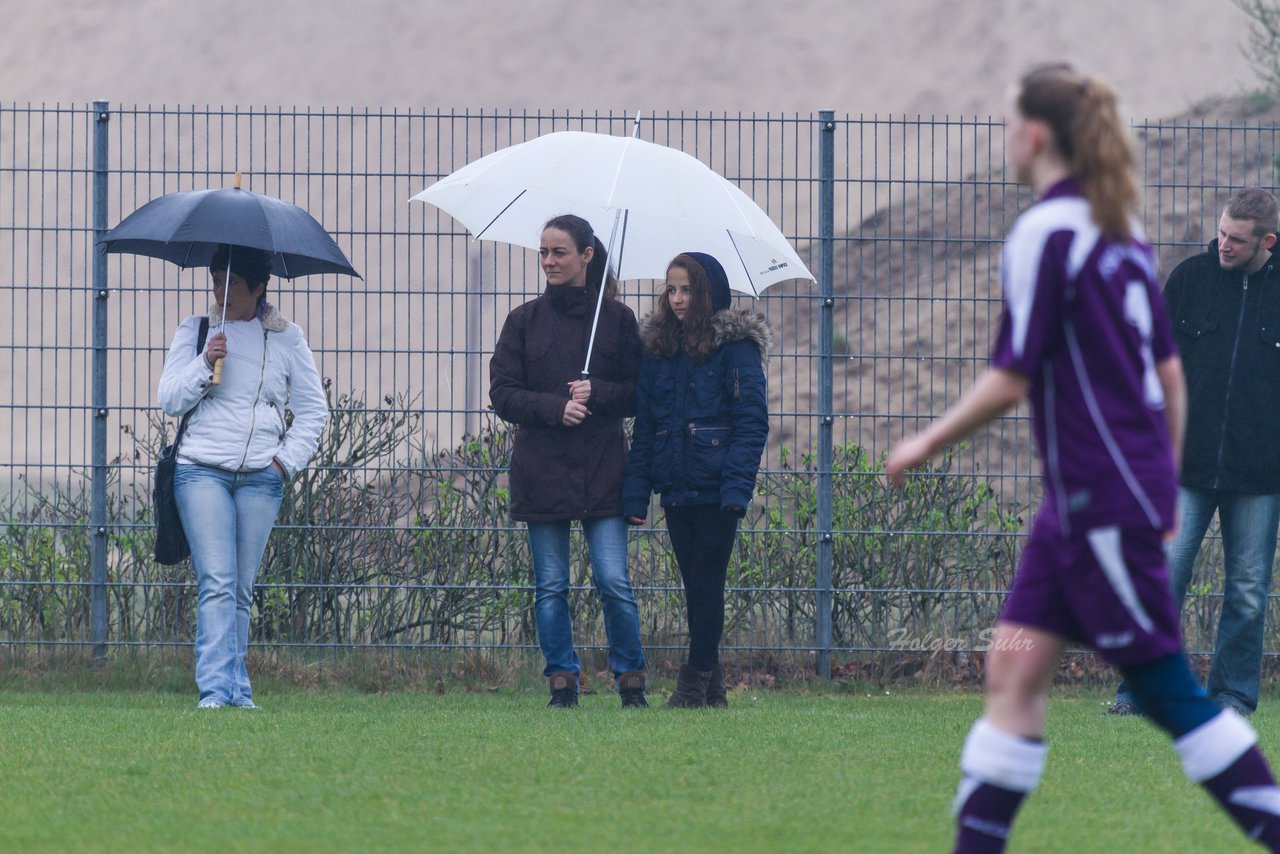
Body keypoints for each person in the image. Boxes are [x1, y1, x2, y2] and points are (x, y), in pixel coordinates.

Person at [886, 64, 1280, 852]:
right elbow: (1168, 374)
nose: (1005, 138)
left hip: (1101, 494)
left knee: (1165, 687)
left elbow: (1012, 375)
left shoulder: (1048, 230)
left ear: (1034, 135)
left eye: (1007, 124)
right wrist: (1165, 479)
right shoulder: (1119, 227)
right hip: (1086, 500)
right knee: (1013, 673)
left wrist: (927, 440)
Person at [1109, 188, 1280, 719]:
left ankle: (1231, 697)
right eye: (1222, 232)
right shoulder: (1189, 280)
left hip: (1261, 472)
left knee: (1248, 589)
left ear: (1267, 242)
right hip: (1183, 464)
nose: (1222, 244)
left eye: (1236, 239)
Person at [157, 244, 327, 710]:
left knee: (240, 589)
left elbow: (313, 411)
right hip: (201, 471)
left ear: (258, 287)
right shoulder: (195, 331)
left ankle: (238, 691)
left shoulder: (287, 338)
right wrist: (203, 362)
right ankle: (215, 691)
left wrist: (282, 464)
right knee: (217, 580)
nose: (219, 290)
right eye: (214, 279)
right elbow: (169, 399)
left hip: (260, 479)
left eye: (229, 282)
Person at [489, 213, 649, 708]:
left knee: (613, 581)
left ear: (587, 256)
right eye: (543, 252)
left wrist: (596, 392)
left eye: (559, 252)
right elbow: (503, 394)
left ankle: (631, 681)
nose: (549, 261)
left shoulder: (618, 321)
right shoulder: (523, 321)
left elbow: (640, 394)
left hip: (604, 472)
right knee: (551, 585)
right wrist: (556, 408)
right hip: (542, 472)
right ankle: (562, 679)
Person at [622, 252, 770, 708]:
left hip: (716, 488)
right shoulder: (661, 349)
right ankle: (715, 689)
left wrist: (735, 489)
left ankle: (692, 684)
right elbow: (646, 426)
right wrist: (636, 492)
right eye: (671, 289)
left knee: (707, 582)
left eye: (686, 289)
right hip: (676, 487)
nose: (678, 298)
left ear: (707, 293)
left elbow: (751, 422)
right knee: (696, 585)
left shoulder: (736, 348)